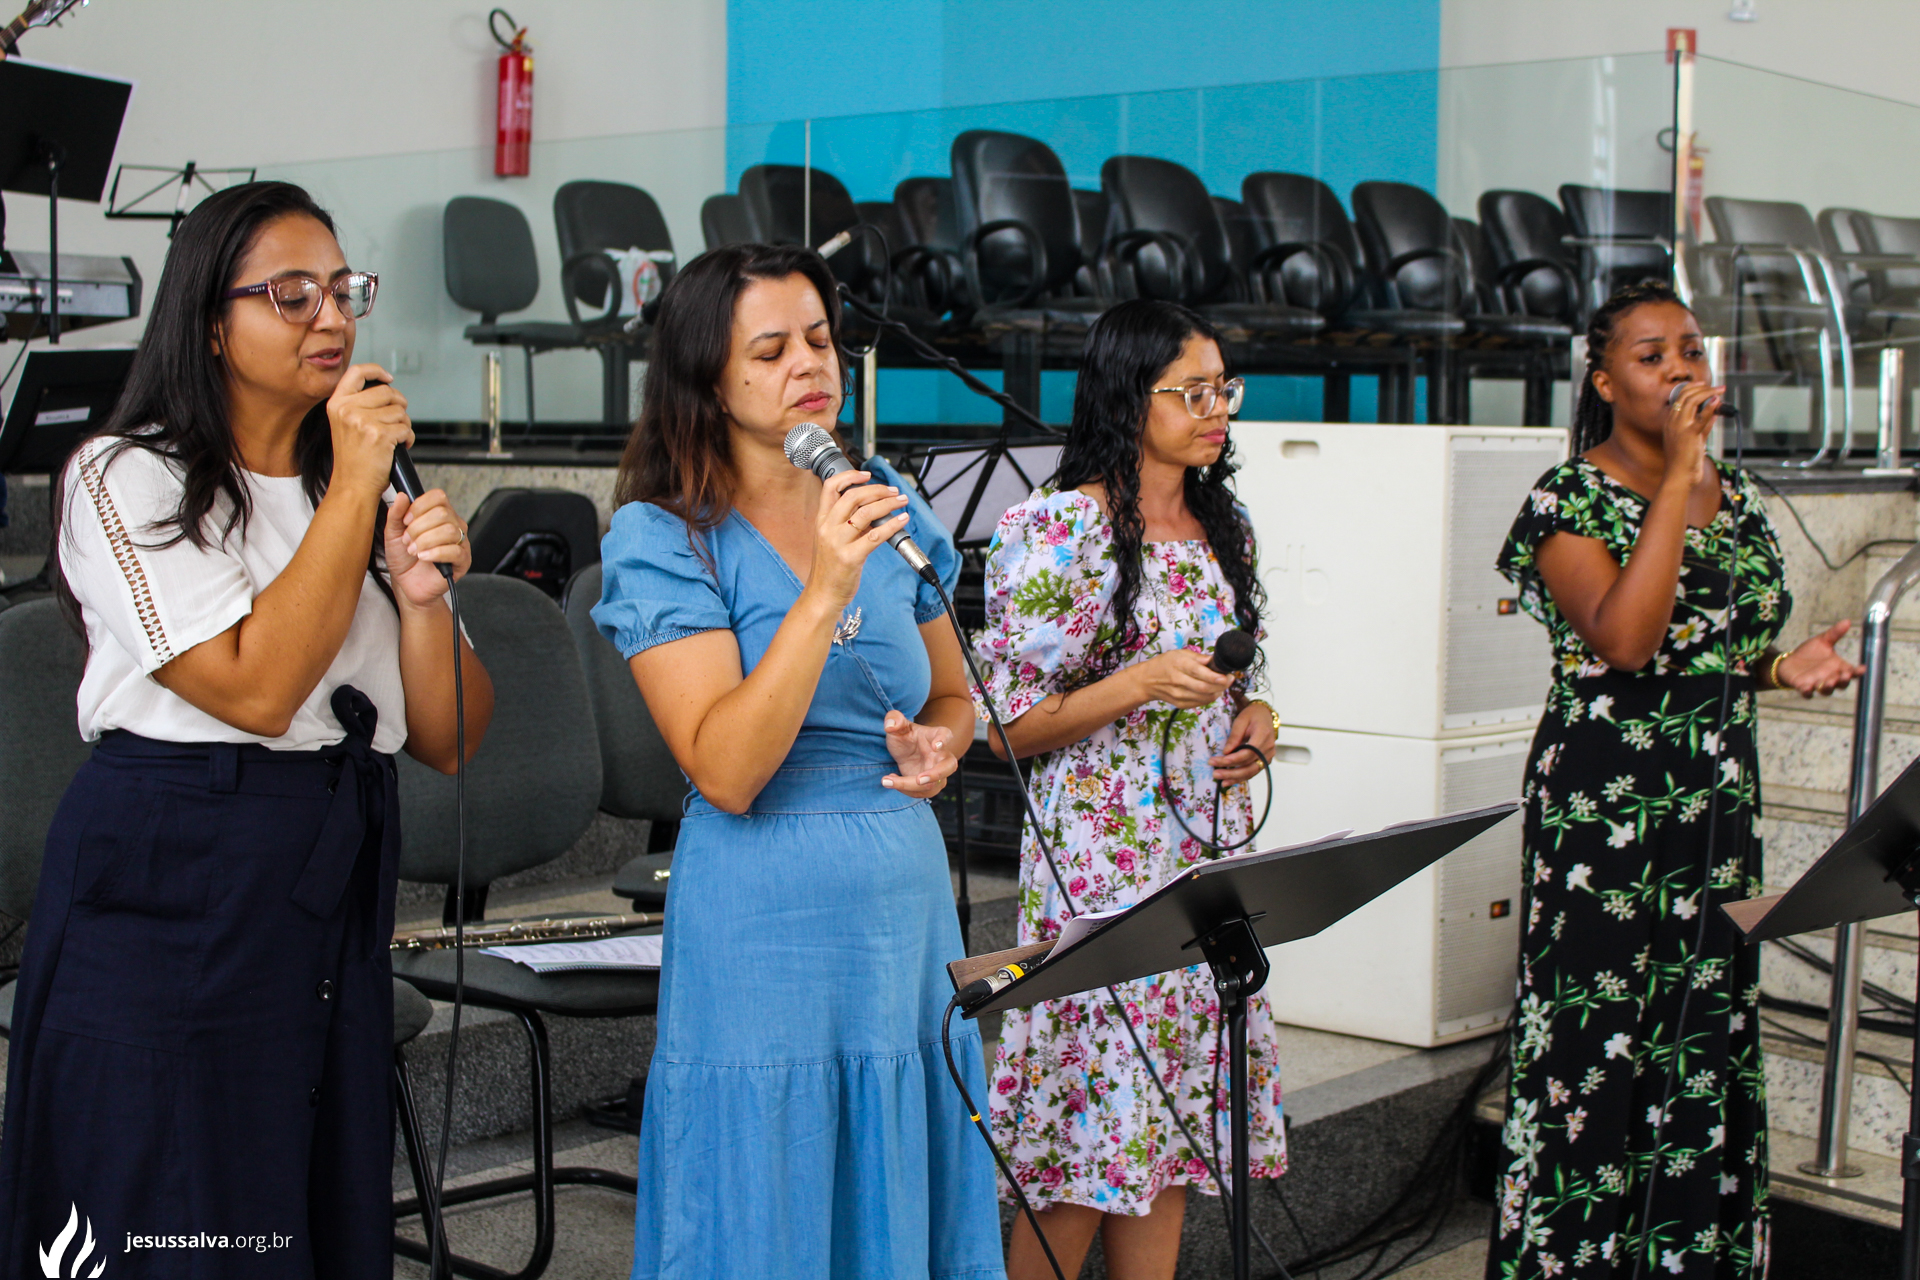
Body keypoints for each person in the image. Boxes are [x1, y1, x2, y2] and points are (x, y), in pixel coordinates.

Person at [0, 181, 493, 1278]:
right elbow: (257, 690)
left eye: (343, 290)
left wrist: (420, 600)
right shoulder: (126, 474)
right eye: (291, 293)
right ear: (212, 322)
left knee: (301, 1201)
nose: (331, 317)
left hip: (328, 869)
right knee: (169, 1207)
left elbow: (452, 735)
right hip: (176, 870)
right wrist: (352, 489)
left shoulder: (354, 484)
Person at [591, 243, 1004, 1280]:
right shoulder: (663, 536)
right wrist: (823, 590)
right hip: (764, 911)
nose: (809, 364)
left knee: (898, 1175)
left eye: (819, 340)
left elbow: (953, 697)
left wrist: (941, 744)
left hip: (903, 912)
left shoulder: (886, 497)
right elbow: (726, 770)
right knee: (770, 1192)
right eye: (770, 350)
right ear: (707, 379)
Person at [1486, 280, 1863, 1280]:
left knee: (1700, 1035)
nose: (1681, 369)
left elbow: (1715, 647)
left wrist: (1780, 666)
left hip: (1713, 803)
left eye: (1691, 348)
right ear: (1605, 382)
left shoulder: (1733, 495)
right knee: (1598, 1040)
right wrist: (1679, 477)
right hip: (1604, 808)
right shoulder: (1567, 498)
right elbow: (1627, 639)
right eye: (1652, 355)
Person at [973, 299, 1284, 1280]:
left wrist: (1258, 719)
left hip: (1200, 855)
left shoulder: (1223, 521)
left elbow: (1235, 676)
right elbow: (1006, 726)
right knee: (1085, 1137)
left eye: (1223, 389)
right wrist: (1141, 681)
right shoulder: (1059, 527)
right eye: (1192, 392)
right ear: (1125, 395)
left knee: (1169, 1132)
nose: (1215, 409)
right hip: (1100, 864)